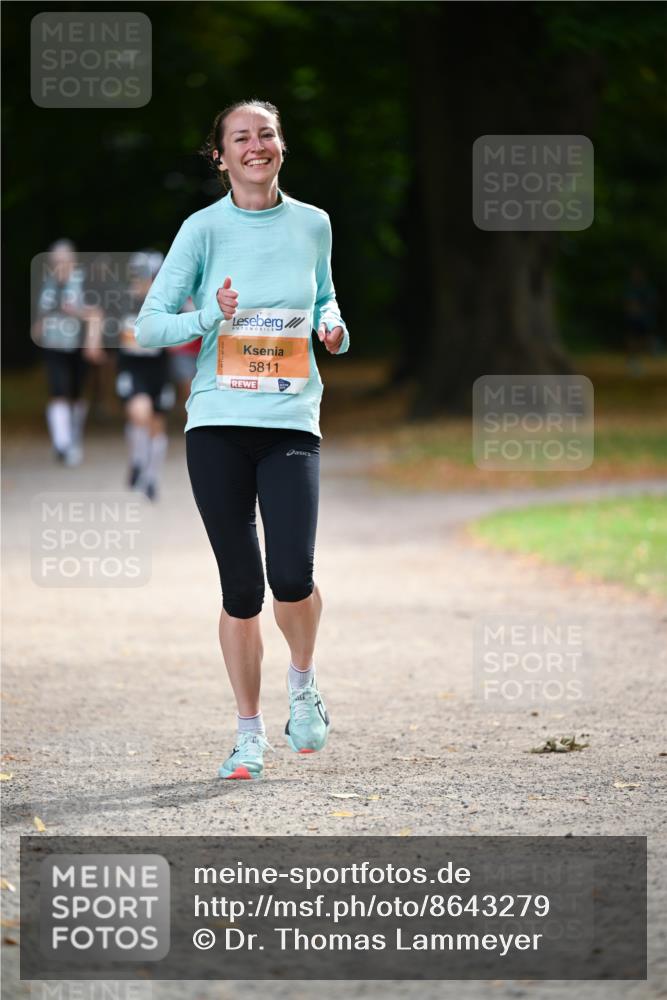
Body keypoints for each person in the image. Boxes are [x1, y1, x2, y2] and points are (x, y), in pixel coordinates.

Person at [135, 98, 350, 780]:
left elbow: (325, 301)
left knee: (292, 576)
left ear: (280, 146)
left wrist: (334, 329)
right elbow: (148, 327)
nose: (256, 146)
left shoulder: (313, 224)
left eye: (266, 135)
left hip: (289, 422)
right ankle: (248, 735)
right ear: (219, 155)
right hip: (217, 424)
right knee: (242, 589)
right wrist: (210, 315)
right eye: (240, 138)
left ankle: (304, 681)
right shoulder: (201, 231)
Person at [34, 240, 104, 465]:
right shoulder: (48, 284)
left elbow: (96, 314)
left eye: (63, 261)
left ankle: (73, 438)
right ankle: (62, 443)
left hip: (78, 345)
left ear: (72, 261)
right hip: (54, 345)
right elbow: (42, 314)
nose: (59, 266)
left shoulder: (84, 282)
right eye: (55, 262)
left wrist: (92, 343)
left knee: (75, 395)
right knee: (58, 390)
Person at [116, 251, 175, 501]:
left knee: (157, 425)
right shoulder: (121, 303)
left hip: (159, 372)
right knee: (141, 412)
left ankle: (150, 477)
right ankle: (138, 460)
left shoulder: (168, 305)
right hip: (132, 369)